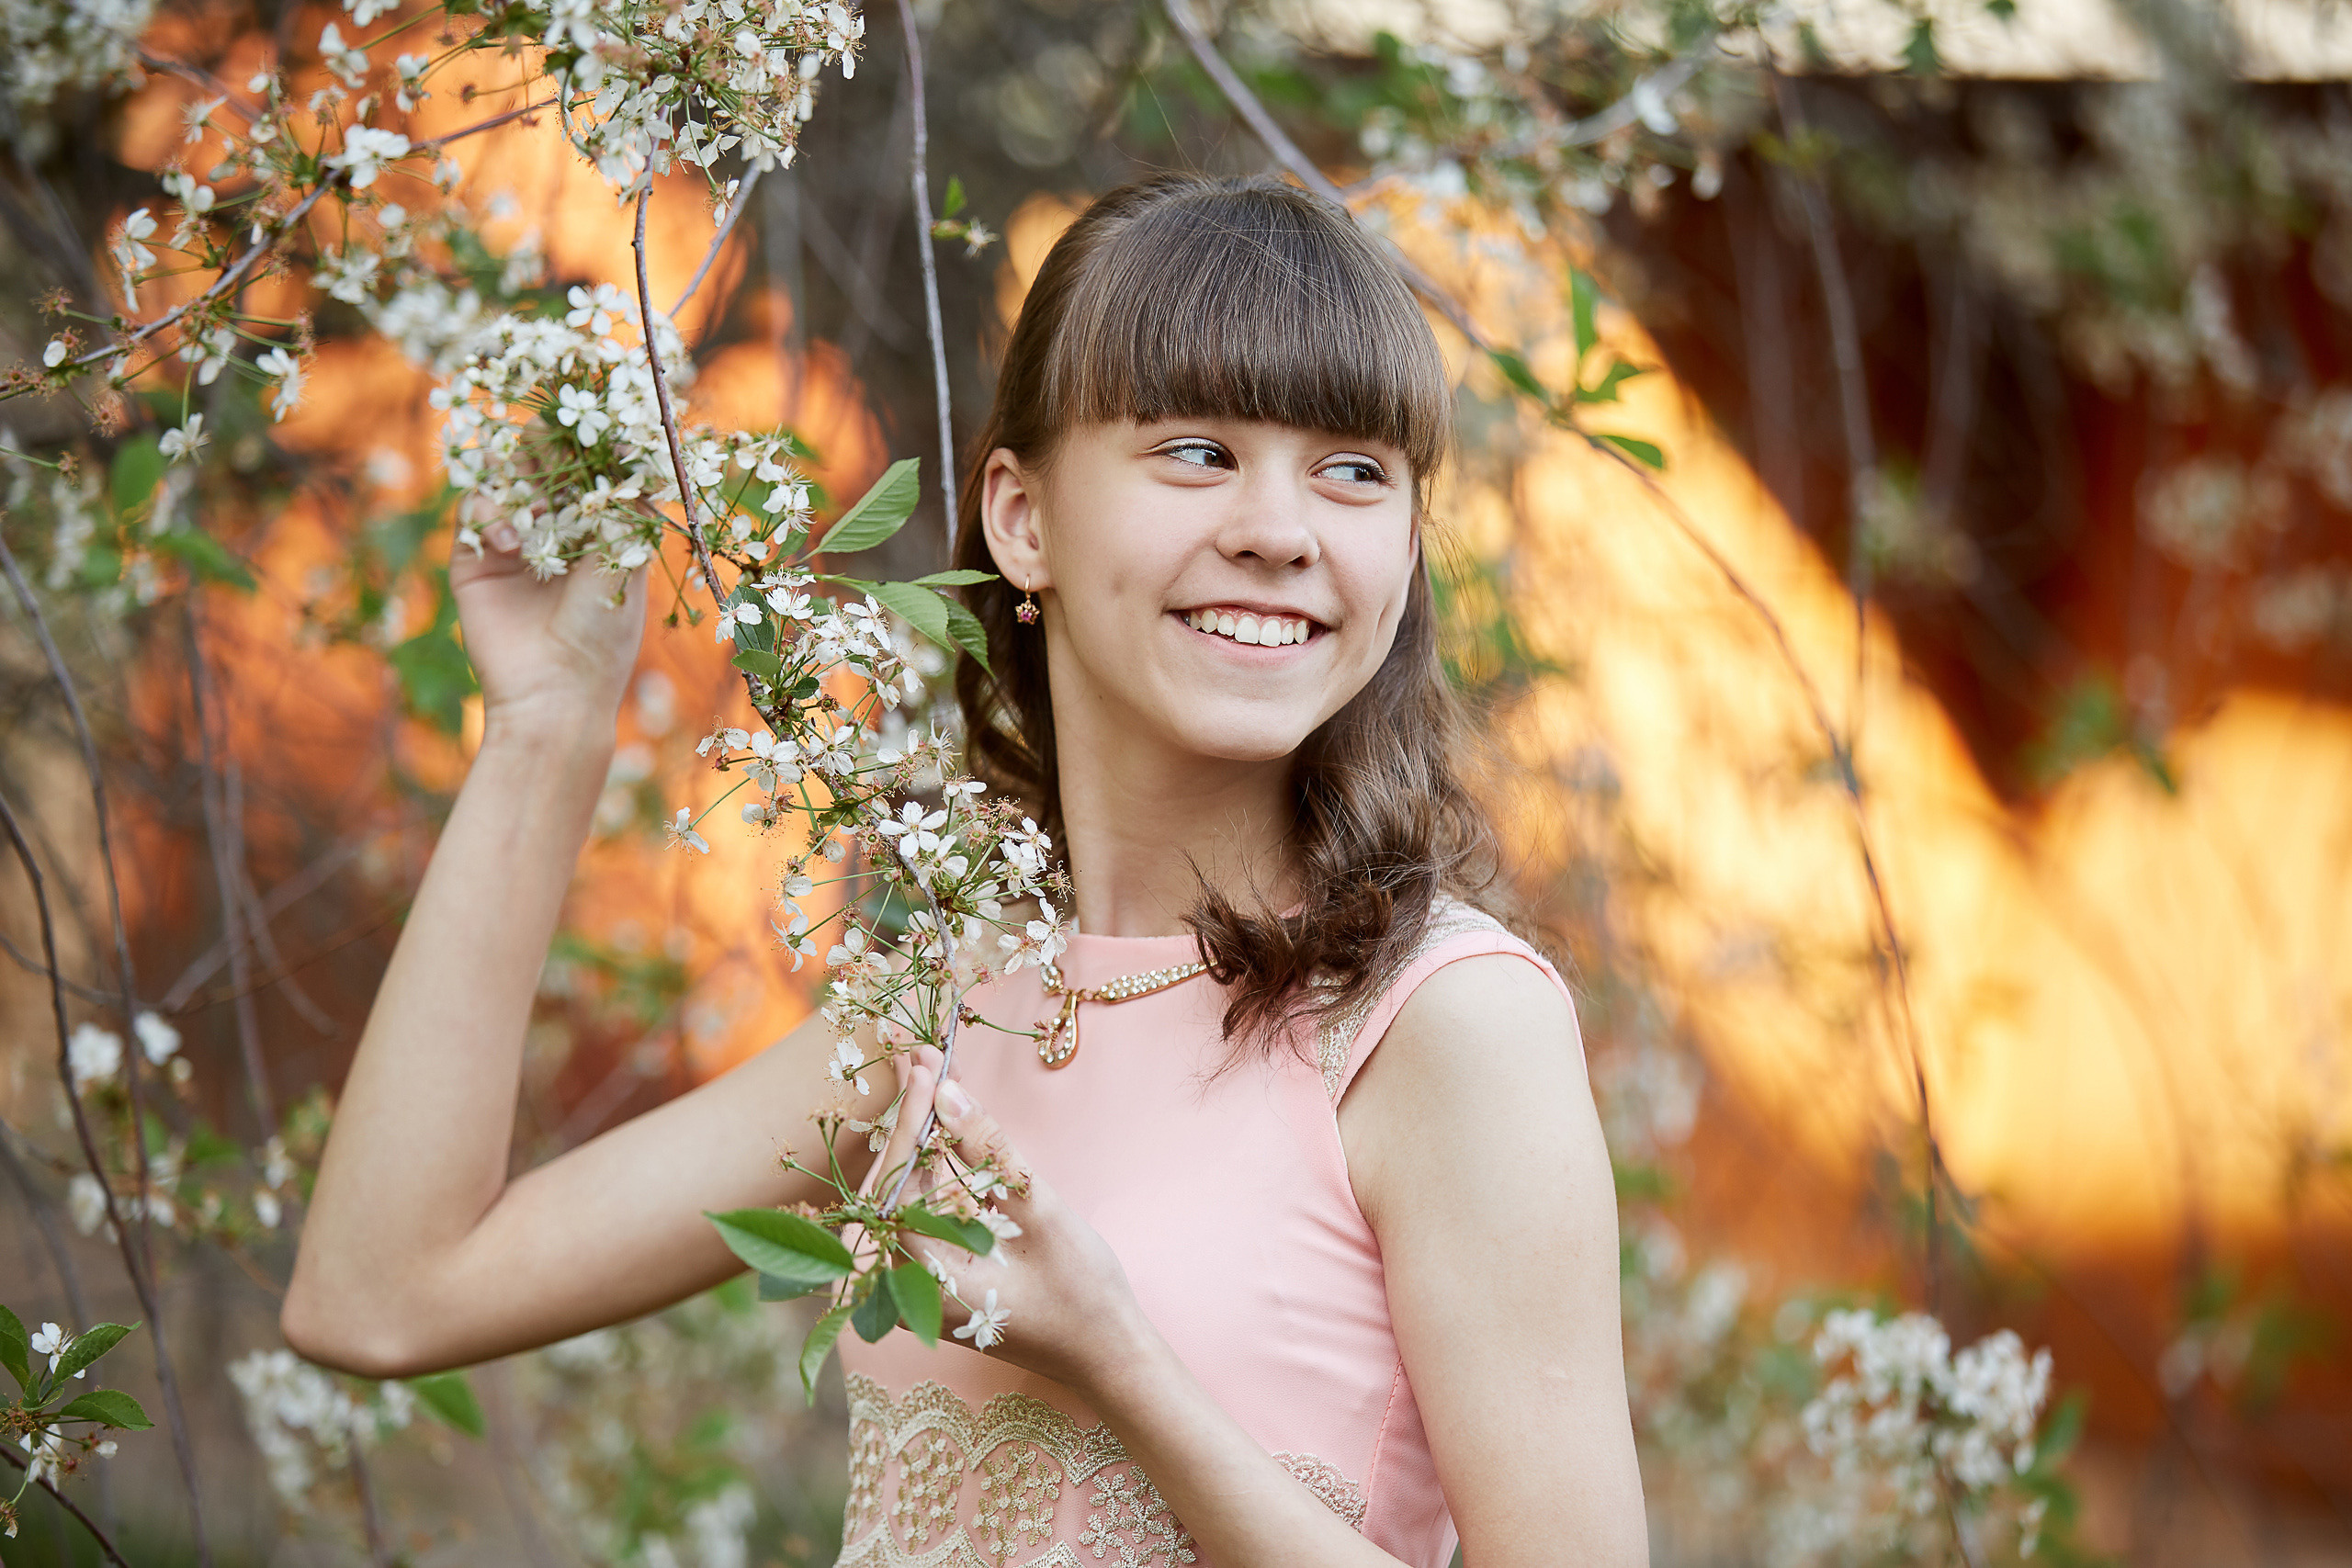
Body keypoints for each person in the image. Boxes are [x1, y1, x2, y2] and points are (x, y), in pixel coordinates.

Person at [284, 172, 1645, 1568]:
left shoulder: (1441, 1025)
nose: (1284, 531)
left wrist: (1118, 1359)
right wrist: (547, 721)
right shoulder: (948, 1004)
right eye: (1197, 450)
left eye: (1355, 471)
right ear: (1022, 519)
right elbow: (384, 1295)